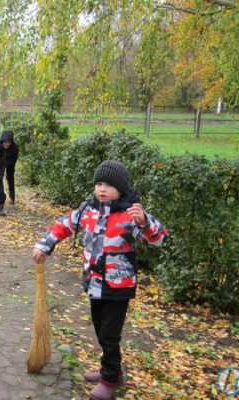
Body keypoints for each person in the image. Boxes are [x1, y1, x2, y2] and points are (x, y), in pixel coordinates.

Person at [31, 161, 168, 400]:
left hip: (118, 286)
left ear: (121, 189)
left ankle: (110, 378)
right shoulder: (88, 210)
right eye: (99, 184)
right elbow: (64, 225)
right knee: (98, 328)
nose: (102, 189)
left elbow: (158, 239)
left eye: (109, 185)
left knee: (109, 334)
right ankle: (110, 369)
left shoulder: (130, 214)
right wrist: (45, 244)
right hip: (94, 283)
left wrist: (144, 221)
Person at [0, 129, 19, 203]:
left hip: (10, 163)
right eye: (5, 142)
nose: (7, 144)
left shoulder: (15, 147)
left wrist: (6, 164)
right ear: (2, 141)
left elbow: (14, 160)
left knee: (10, 177)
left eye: (9, 142)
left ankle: (12, 197)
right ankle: (0, 196)